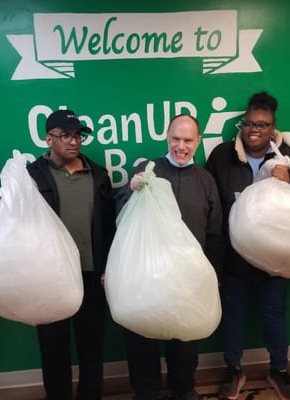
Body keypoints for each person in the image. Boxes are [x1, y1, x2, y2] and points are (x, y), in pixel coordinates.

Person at [206, 92, 290, 400]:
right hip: (235, 255)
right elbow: (212, 202)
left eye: (263, 125)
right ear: (242, 124)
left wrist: (289, 181)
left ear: (273, 127)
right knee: (234, 314)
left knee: (274, 313)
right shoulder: (222, 155)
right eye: (250, 123)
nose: (255, 130)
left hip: (276, 256)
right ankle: (233, 368)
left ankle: (279, 369)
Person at [117, 114, 224, 400]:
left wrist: (212, 276)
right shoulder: (146, 170)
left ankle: (184, 390)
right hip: (145, 274)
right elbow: (123, 221)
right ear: (167, 137)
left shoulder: (205, 180)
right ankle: (145, 393)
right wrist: (131, 193)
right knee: (141, 338)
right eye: (176, 138)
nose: (181, 146)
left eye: (188, 140)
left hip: (188, 279)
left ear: (198, 141)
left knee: (185, 340)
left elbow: (214, 233)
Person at [26, 109, 116, 400]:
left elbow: (108, 226)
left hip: (90, 274)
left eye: (78, 135)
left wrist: (107, 268)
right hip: (49, 276)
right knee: (53, 349)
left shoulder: (99, 175)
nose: (73, 141)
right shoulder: (32, 175)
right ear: (48, 138)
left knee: (92, 348)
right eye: (65, 135)